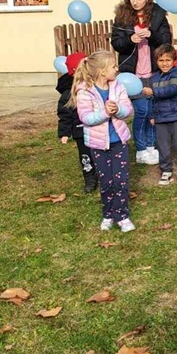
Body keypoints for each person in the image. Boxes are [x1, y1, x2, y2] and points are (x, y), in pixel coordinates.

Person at [70, 50, 136, 232]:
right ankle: (108, 213)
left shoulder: (118, 87)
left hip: (118, 142)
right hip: (98, 145)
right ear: (101, 71)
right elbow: (86, 117)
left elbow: (128, 110)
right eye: (113, 66)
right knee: (106, 181)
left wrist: (118, 110)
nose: (117, 69)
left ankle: (122, 215)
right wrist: (105, 113)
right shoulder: (85, 91)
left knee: (121, 180)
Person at [111, 0, 172, 165]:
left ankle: (152, 146)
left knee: (153, 111)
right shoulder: (122, 17)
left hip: (153, 71)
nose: (135, 2)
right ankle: (140, 147)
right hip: (132, 74)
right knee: (142, 110)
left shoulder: (158, 16)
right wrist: (130, 39)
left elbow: (166, 41)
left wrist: (151, 34)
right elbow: (116, 43)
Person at [144, 45, 177, 186]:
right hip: (160, 118)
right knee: (163, 146)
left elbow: (172, 89)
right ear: (156, 61)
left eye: (168, 60)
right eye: (161, 60)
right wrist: (152, 115)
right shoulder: (153, 79)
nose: (164, 63)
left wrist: (153, 92)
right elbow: (152, 101)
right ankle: (166, 170)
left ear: (174, 60)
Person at [56, 52, 98, 193]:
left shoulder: (96, 85)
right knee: (85, 155)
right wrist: (64, 132)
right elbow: (65, 113)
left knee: (99, 152)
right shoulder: (69, 92)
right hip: (80, 129)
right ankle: (90, 178)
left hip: (97, 126)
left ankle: (103, 174)